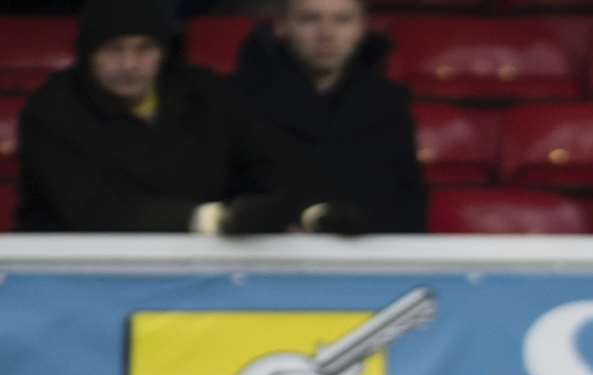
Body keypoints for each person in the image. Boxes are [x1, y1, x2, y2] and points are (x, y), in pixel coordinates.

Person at [13, 0, 358, 234]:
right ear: (88, 55)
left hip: (198, 274)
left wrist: (310, 212)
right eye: (114, 50)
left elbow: (269, 162)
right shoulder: (51, 111)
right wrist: (212, 220)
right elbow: (90, 209)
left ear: (163, 52)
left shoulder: (205, 94)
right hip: (71, 277)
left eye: (143, 49)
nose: (129, 64)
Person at [231, 0, 426, 234]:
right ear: (281, 26)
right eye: (310, 19)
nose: (326, 34)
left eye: (342, 20)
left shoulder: (390, 103)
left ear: (362, 28)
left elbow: (407, 199)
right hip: (266, 253)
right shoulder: (238, 98)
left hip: (367, 253)